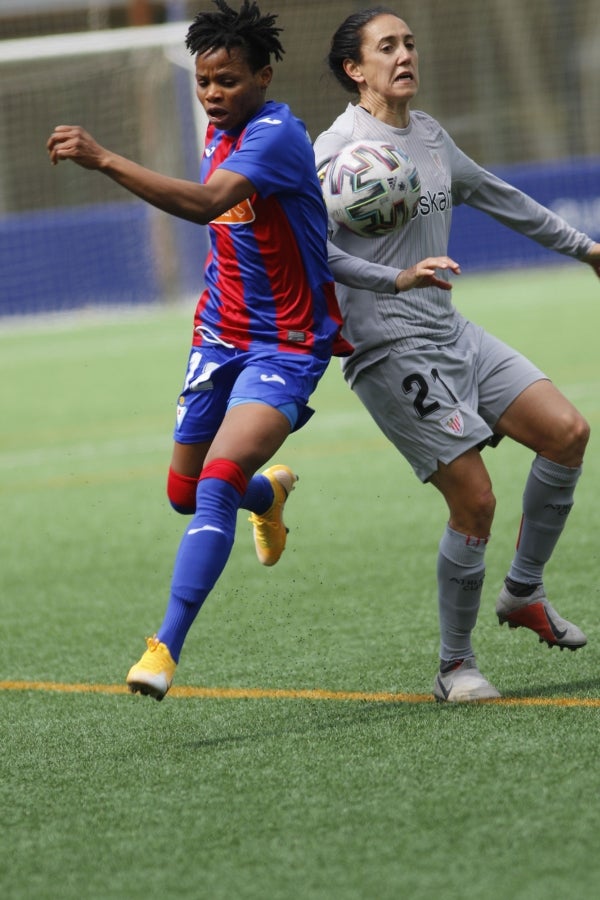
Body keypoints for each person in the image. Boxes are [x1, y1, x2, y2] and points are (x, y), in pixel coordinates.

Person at [47, 0, 351, 701]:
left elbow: (207, 204)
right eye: (204, 81)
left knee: (212, 480)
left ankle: (164, 648)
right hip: (218, 336)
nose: (213, 94)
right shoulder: (222, 126)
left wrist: (105, 158)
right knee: (184, 493)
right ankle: (267, 493)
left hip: (287, 345)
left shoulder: (273, 137)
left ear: (265, 76)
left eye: (228, 81)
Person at [314, 6, 600, 702]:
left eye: (409, 42)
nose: (405, 54)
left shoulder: (433, 138)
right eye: (387, 46)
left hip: (450, 330)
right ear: (355, 68)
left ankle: (522, 592)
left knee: (567, 433)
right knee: (474, 499)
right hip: (387, 348)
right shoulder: (336, 151)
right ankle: (454, 667)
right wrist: (392, 279)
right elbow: (311, 249)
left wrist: (587, 249)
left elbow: (501, 198)